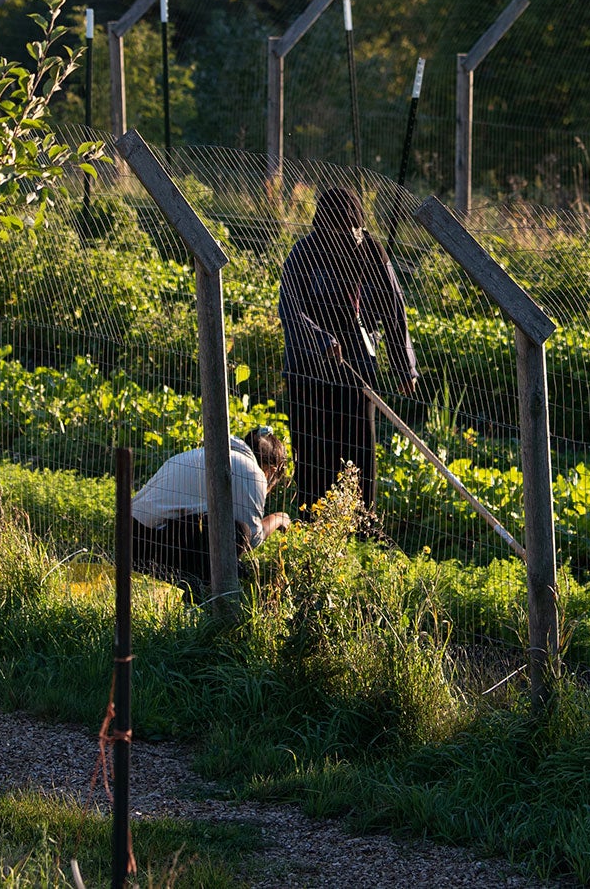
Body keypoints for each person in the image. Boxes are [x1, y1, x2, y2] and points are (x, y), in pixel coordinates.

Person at [278, 184, 419, 518]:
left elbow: (394, 309)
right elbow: (289, 310)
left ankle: (362, 522)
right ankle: (312, 520)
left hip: (357, 367)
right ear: (323, 228)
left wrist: (404, 366)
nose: (350, 238)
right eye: (340, 232)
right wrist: (320, 339)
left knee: (359, 451)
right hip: (309, 370)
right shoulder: (304, 254)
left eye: (354, 231)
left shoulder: (372, 252)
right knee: (313, 451)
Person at [129, 426, 290, 588]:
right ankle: (199, 590)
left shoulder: (202, 454)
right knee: (239, 531)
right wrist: (277, 519)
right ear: (271, 471)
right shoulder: (253, 472)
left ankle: (195, 584)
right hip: (149, 547)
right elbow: (252, 539)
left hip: (129, 537)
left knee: (222, 530)